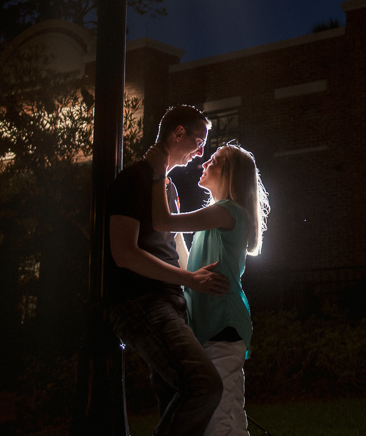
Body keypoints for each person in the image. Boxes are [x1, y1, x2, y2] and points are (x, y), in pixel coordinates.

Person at [107, 104, 228, 436]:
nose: (202, 152)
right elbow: (124, 254)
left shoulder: (167, 187)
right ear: (178, 133)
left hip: (170, 303)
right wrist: (189, 279)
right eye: (199, 140)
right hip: (140, 303)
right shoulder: (134, 179)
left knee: (176, 392)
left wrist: (201, 283)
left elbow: (176, 248)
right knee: (203, 385)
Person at [146, 141, 270, 436]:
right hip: (212, 326)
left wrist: (156, 175)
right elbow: (191, 270)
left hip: (222, 326)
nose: (204, 164)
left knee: (219, 420)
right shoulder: (219, 215)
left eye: (213, 160)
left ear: (228, 173)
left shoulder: (229, 211)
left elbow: (161, 221)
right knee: (227, 414)